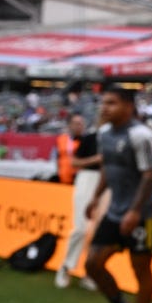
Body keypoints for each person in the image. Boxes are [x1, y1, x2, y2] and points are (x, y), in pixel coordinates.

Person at [84, 85, 152, 303]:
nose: (104, 108)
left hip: (142, 215)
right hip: (115, 211)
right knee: (93, 264)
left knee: (141, 269)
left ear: (129, 106)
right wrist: (96, 196)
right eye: (103, 103)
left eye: (111, 103)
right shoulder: (104, 133)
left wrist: (136, 210)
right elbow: (108, 166)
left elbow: (150, 175)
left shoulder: (141, 136)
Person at [55, 114, 104, 290]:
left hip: (108, 184)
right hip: (87, 180)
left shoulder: (120, 140)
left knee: (97, 233)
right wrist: (97, 159)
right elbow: (75, 161)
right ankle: (66, 267)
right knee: (81, 228)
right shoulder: (90, 139)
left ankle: (90, 273)